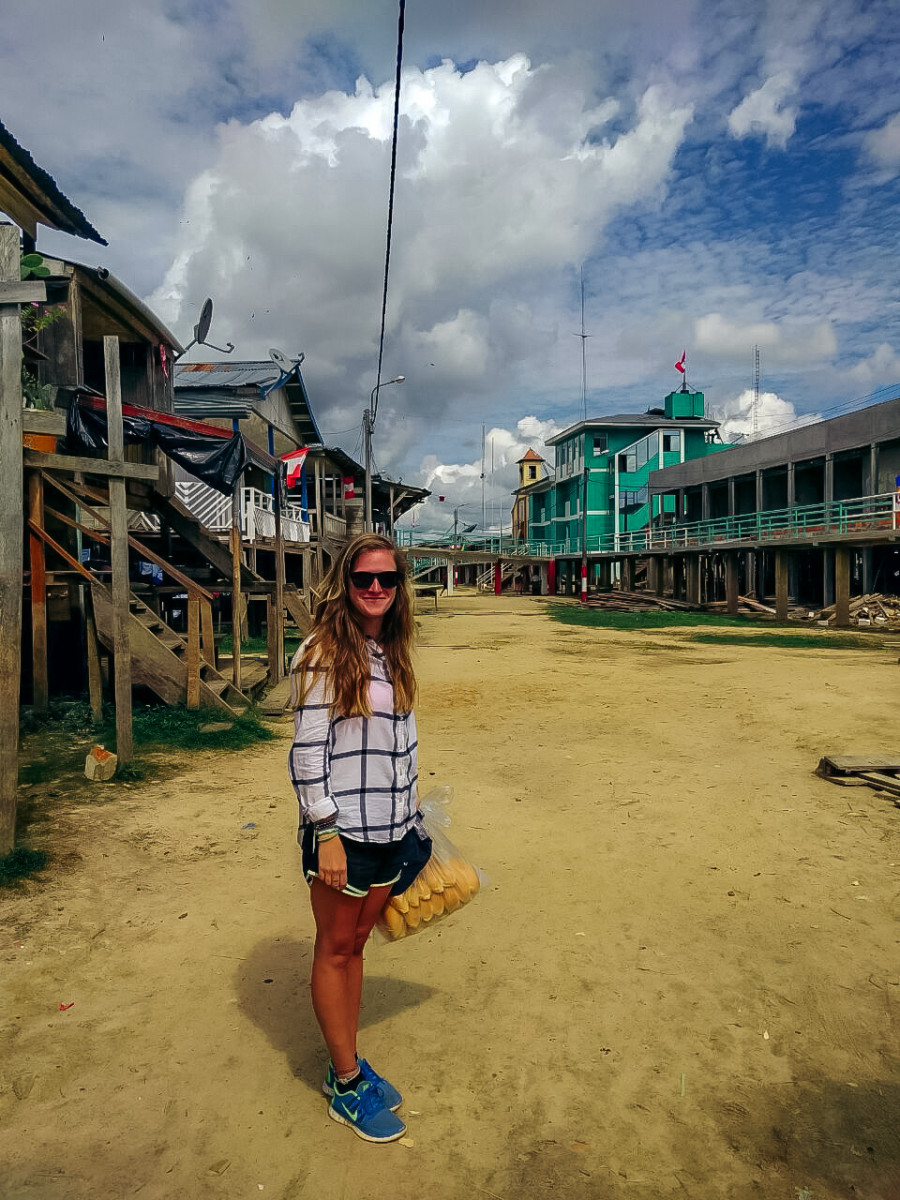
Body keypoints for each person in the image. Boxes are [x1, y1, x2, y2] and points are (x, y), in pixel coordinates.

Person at [288, 532, 420, 1143]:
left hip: (392, 826)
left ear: (399, 588)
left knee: (358, 946)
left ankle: (349, 1062)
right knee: (335, 949)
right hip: (346, 832)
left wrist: (414, 816)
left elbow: (400, 744)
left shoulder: (390, 650)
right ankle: (344, 1083)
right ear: (345, 583)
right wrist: (326, 833)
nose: (375, 588)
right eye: (364, 578)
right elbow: (308, 752)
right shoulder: (322, 652)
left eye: (386, 579)